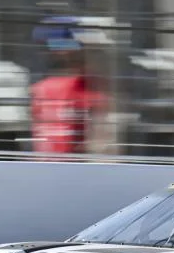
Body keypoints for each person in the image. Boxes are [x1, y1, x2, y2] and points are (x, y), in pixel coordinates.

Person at [28, 18, 112, 158]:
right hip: (53, 164)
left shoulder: (87, 85)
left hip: (71, 164)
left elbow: (100, 132)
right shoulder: (42, 88)